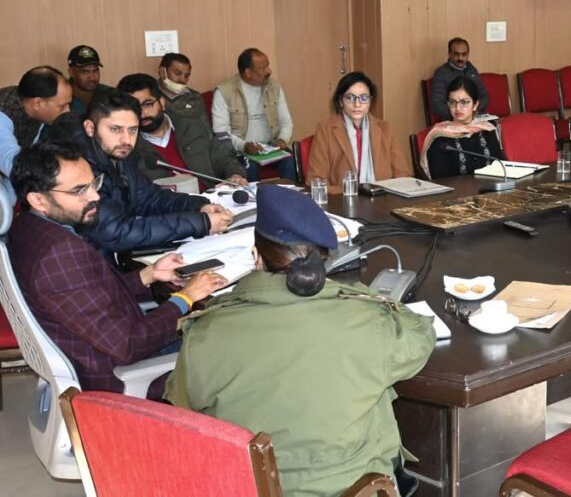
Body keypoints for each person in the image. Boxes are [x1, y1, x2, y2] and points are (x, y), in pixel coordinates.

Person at [165, 184, 434, 496]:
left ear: (256, 256)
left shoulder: (205, 332)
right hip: (352, 489)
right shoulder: (368, 320)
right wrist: (361, 295)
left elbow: (183, 410)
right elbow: (420, 337)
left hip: (245, 488)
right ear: (325, 262)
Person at [8, 141, 226, 398]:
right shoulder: (59, 253)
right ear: (38, 199)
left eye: (94, 183)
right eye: (80, 190)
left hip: (103, 349)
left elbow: (89, 296)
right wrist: (185, 297)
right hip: (120, 375)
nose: (95, 196)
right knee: (234, 338)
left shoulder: (27, 228)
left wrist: (148, 275)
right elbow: (128, 345)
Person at [73, 90, 233, 257]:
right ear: (90, 128)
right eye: (115, 129)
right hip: (95, 266)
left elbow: (151, 198)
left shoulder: (117, 156)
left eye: (132, 130)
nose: (126, 140)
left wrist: (198, 206)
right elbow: (119, 233)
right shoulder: (79, 170)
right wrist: (201, 223)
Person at [118, 73, 247, 187]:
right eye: (133, 107)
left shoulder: (192, 125)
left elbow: (221, 156)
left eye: (147, 104)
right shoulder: (127, 147)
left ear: (162, 102)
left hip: (212, 196)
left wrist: (235, 174)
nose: (142, 113)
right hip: (171, 205)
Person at [307, 72, 413, 192]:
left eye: (364, 98)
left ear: (370, 101)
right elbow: (315, 180)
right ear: (341, 101)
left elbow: (402, 175)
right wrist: (351, 192)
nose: (357, 104)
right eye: (350, 98)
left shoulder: (385, 129)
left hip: (381, 198)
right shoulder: (326, 129)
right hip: (343, 199)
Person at [211, 48, 297, 181]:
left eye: (268, 66)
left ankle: (290, 193)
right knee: (249, 165)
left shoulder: (274, 87)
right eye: (263, 68)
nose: (269, 71)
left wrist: (282, 140)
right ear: (248, 73)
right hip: (240, 149)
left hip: (271, 146)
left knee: (291, 161)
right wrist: (244, 146)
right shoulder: (224, 92)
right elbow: (222, 134)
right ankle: (254, 195)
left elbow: (286, 121)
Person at [0, 67, 74, 203]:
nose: (67, 111)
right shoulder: (3, 111)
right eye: (62, 106)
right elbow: (13, 165)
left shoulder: (33, 107)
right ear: (37, 103)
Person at [422, 76, 505, 179]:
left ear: (475, 105)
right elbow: (441, 180)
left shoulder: (487, 130)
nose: (457, 108)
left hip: (491, 187)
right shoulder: (439, 137)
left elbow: (501, 166)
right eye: (452, 102)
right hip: (457, 189)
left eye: (464, 102)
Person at [429, 37, 489, 122]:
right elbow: (437, 104)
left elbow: (484, 96)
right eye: (456, 54)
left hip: (474, 118)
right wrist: (459, 115)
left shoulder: (472, 70)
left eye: (464, 54)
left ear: (468, 54)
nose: (460, 58)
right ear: (449, 54)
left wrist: (473, 111)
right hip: (452, 120)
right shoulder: (441, 73)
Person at [157, 52, 210, 122]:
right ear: (162, 72)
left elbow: (204, 126)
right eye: (178, 73)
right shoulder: (150, 96)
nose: (183, 80)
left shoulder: (195, 97)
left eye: (186, 75)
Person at [67, 45, 113, 115]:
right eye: (85, 72)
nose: (92, 77)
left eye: (95, 71)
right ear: (71, 72)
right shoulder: (61, 97)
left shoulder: (110, 94)